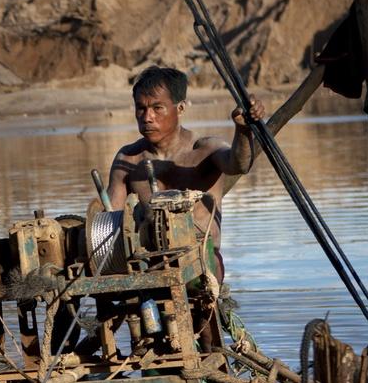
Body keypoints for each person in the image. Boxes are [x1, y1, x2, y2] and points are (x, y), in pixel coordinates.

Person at [106, 66, 265, 284]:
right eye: (141, 109)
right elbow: (109, 221)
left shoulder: (205, 150)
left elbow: (239, 164)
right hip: (149, 267)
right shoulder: (128, 159)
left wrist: (244, 130)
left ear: (180, 108)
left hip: (202, 263)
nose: (147, 117)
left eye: (157, 108)